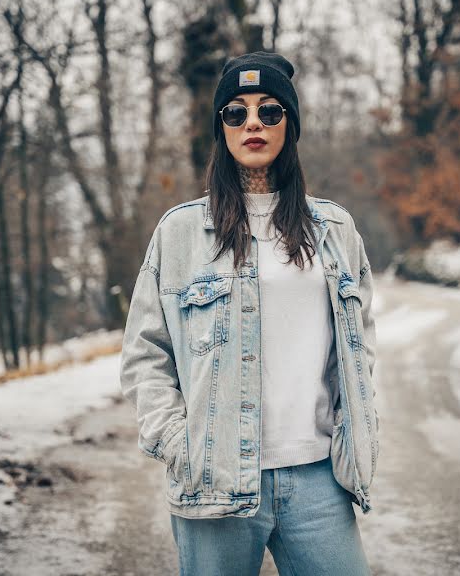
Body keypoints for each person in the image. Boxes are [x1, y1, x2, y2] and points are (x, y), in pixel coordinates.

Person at [119, 51, 379, 576]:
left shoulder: (334, 230)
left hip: (318, 478)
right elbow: (145, 354)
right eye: (235, 112)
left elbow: (360, 346)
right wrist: (178, 442)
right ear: (222, 128)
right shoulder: (180, 233)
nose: (253, 122)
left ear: (291, 125)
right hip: (212, 479)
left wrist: (356, 435)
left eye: (270, 110)